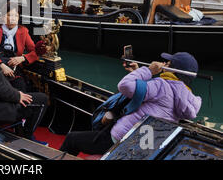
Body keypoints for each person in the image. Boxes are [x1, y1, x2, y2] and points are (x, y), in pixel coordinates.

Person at [60, 52, 202, 156]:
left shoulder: (161, 85)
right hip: (142, 146)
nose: (164, 64)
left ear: (173, 69)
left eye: (168, 63)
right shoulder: (186, 96)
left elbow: (125, 85)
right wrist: (137, 71)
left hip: (121, 140)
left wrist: (148, 71)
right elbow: (153, 97)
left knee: (72, 139)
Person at [0, 3, 39, 92]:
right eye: (9, 15)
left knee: (21, 88)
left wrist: (23, 58)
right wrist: (1, 65)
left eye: (16, 16)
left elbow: (35, 52)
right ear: (3, 17)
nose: (13, 19)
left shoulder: (23, 31)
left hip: (15, 70)